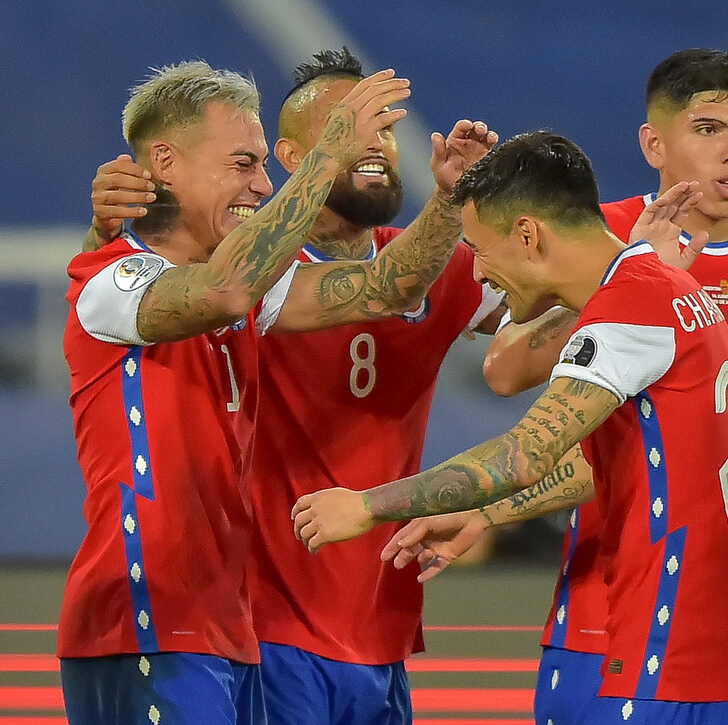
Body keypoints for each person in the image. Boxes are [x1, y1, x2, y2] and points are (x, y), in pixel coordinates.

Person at [387, 48, 728, 724]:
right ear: (654, 143)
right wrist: (628, 276)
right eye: (708, 130)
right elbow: (505, 368)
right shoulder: (596, 234)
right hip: (616, 610)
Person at [292, 131, 728, 725]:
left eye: (479, 249)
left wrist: (368, 506)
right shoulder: (671, 288)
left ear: (528, 234)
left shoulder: (630, 307)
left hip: (670, 649)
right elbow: (608, 464)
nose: (481, 273)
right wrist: (486, 513)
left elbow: (524, 453)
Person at [82, 47, 503, 725]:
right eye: (243, 165)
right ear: (166, 164)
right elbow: (220, 288)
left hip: (228, 627)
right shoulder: (107, 282)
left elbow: (384, 287)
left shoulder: (260, 290)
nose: (258, 185)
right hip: (147, 614)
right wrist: (326, 160)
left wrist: (451, 199)